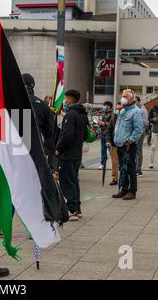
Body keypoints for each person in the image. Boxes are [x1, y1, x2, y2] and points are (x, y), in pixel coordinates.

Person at [55, 90, 88, 221]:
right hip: (77, 153)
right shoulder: (82, 115)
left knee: (66, 182)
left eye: (66, 98)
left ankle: (71, 210)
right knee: (74, 181)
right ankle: (77, 208)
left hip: (67, 154)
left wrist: (59, 148)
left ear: (70, 99)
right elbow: (85, 134)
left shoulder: (71, 115)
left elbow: (67, 135)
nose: (65, 100)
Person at [112, 90, 144, 201]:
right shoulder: (123, 111)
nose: (123, 98)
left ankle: (132, 191)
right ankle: (124, 189)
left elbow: (139, 129)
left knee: (131, 168)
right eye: (122, 96)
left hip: (129, 145)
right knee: (122, 168)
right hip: (120, 144)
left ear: (132, 98)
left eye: (125, 96)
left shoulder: (136, 111)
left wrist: (130, 140)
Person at [105, 102, 122, 186]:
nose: (118, 111)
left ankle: (124, 178)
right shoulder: (113, 118)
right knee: (114, 162)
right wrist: (108, 141)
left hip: (124, 144)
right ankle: (115, 178)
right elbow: (108, 131)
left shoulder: (126, 118)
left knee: (123, 162)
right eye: (117, 109)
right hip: (114, 144)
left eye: (120, 109)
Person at [98, 101, 114, 170]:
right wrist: (99, 123)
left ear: (110, 106)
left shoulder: (112, 114)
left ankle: (115, 163)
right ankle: (102, 164)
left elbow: (112, 124)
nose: (105, 107)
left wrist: (104, 123)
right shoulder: (103, 113)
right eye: (104, 105)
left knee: (111, 150)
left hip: (109, 135)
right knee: (102, 150)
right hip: (102, 133)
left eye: (107, 105)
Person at [135, 96, 148, 177]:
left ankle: (138, 170)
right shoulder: (132, 109)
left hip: (140, 133)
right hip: (132, 133)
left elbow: (145, 122)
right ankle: (133, 168)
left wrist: (137, 124)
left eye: (135, 101)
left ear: (139, 101)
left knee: (138, 151)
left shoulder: (142, 110)